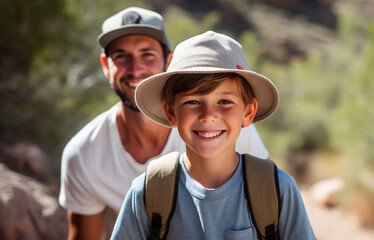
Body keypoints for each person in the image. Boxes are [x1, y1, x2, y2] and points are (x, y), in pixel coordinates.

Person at [58, 7, 269, 240]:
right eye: (121, 56)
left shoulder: (223, 130)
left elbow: (267, 196)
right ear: (106, 65)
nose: (136, 68)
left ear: (169, 61)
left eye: (147, 54)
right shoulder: (83, 154)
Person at [110, 30, 316, 239]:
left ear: (248, 112)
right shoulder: (147, 192)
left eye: (225, 101)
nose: (208, 116)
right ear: (171, 112)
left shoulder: (277, 189)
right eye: (192, 102)